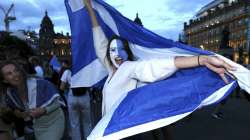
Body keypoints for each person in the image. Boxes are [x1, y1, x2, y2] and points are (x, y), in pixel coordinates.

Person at [84, 0, 235, 139]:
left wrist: (201, 59)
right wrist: (91, 11)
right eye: (112, 50)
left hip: (125, 132)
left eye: (121, 49)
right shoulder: (111, 70)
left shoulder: (130, 68)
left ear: (128, 52)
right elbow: (100, 42)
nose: (117, 54)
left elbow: (157, 66)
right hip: (111, 128)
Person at [0, 60, 65, 140]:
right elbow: (14, 109)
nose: (15, 74)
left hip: (53, 122)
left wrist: (44, 110)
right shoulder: (10, 93)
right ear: (5, 80)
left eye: (16, 70)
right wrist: (20, 114)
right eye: (9, 73)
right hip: (34, 127)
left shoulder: (41, 84)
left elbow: (59, 102)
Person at [60, 60, 92, 140]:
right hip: (84, 96)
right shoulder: (85, 70)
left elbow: (61, 87)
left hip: (72, 96)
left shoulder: (67, 71)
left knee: (74, 123)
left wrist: (69, 86)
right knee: (87, 122)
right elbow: (90, 85)